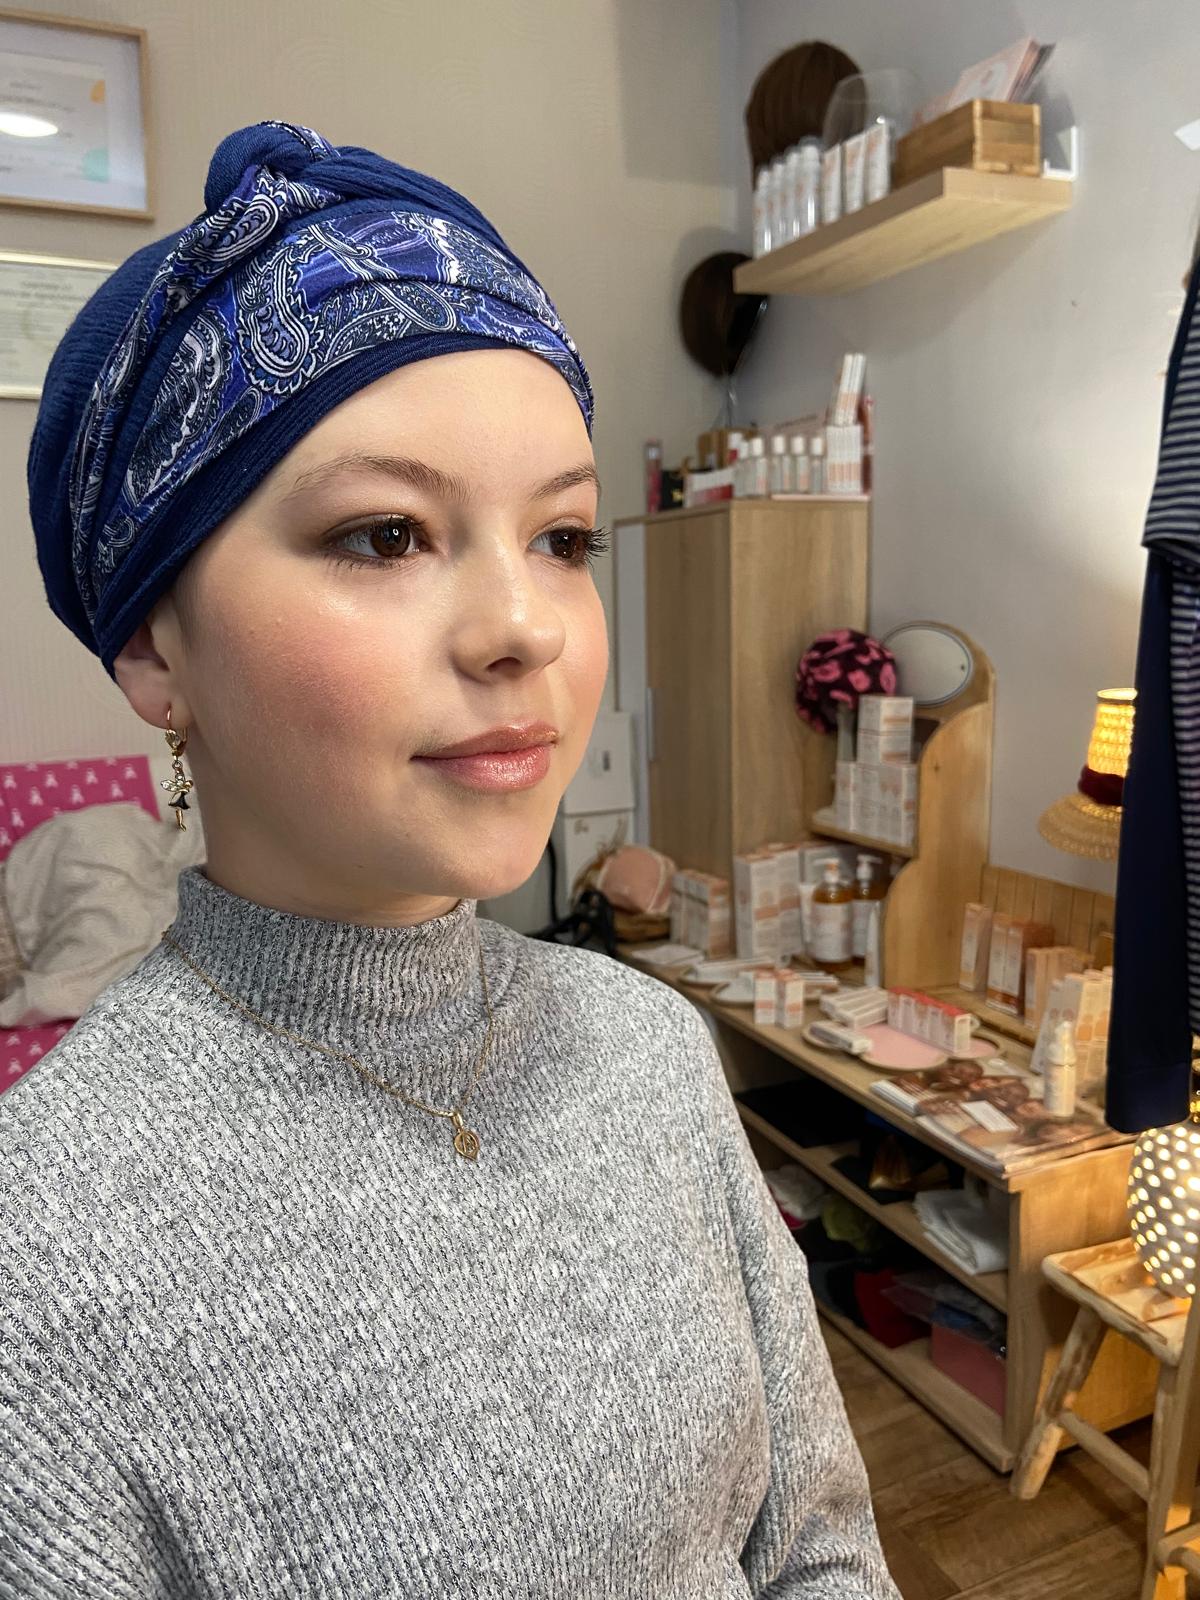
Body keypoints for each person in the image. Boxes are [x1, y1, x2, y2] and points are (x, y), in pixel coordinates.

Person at [2, 121, 899, 1599]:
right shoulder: (47, 1253)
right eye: (384, 535)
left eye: (563, 539)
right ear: (155, 645)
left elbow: (820, 1547)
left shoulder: (652, 1052)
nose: (526, 628)